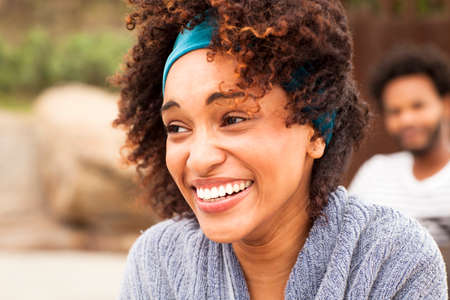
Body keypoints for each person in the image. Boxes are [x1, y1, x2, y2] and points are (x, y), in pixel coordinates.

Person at [113, 1, 447, 299]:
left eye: (233, 118)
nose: (199, 159)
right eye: (177, 127)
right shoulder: (160, 263)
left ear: (315, 130)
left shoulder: (393, 261)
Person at [349, 44, 450, 244]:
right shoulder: (374, 175)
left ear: (446, 105)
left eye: (418, 106)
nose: (407, 120)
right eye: (395, 111)